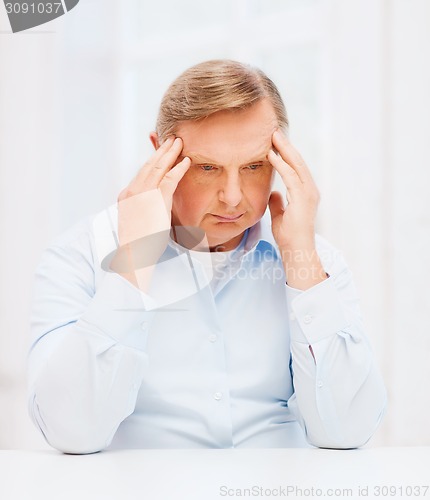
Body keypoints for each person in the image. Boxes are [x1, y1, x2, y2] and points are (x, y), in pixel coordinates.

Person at [29, 59, 386, 454]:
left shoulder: (317, 262)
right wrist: (135, 261)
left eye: (254, 165)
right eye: (207, 167)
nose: (233, 197)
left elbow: (348, 432)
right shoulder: (78, 256)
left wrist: (301, 260)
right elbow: (71, 433)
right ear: (158, 155)